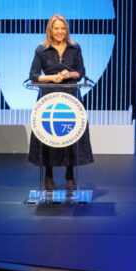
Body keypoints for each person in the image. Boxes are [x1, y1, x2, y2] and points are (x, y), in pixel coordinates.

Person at [28, 14, 93, 190]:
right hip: (49, 97)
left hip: (71, 96)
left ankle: (70, 175)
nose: (60, 32)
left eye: (63, 28)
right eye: (56, 28)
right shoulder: (42, 50)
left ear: (67, 30)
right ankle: (48, 176)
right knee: (49, 135)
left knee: (70, 134)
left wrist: (69, 74)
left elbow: (81, 71)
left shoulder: (75, 48)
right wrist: (52, 77)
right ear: (50, 30)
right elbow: (33, 75)